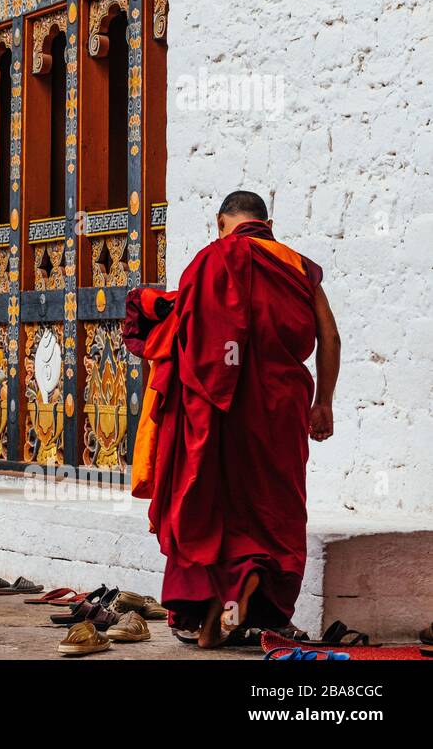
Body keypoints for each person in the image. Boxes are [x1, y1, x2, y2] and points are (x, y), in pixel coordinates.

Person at [129, 190, 340, 648]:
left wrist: (146, 305)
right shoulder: (297, 266)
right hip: (281, 408)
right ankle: (253, 590)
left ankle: (215, 606)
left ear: (221, 220)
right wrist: (323, 402)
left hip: (218, 410)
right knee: (273, 507)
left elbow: (179, 326)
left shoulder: (210, 260)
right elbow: (331, 336)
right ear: (268, 223)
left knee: (216, 503)